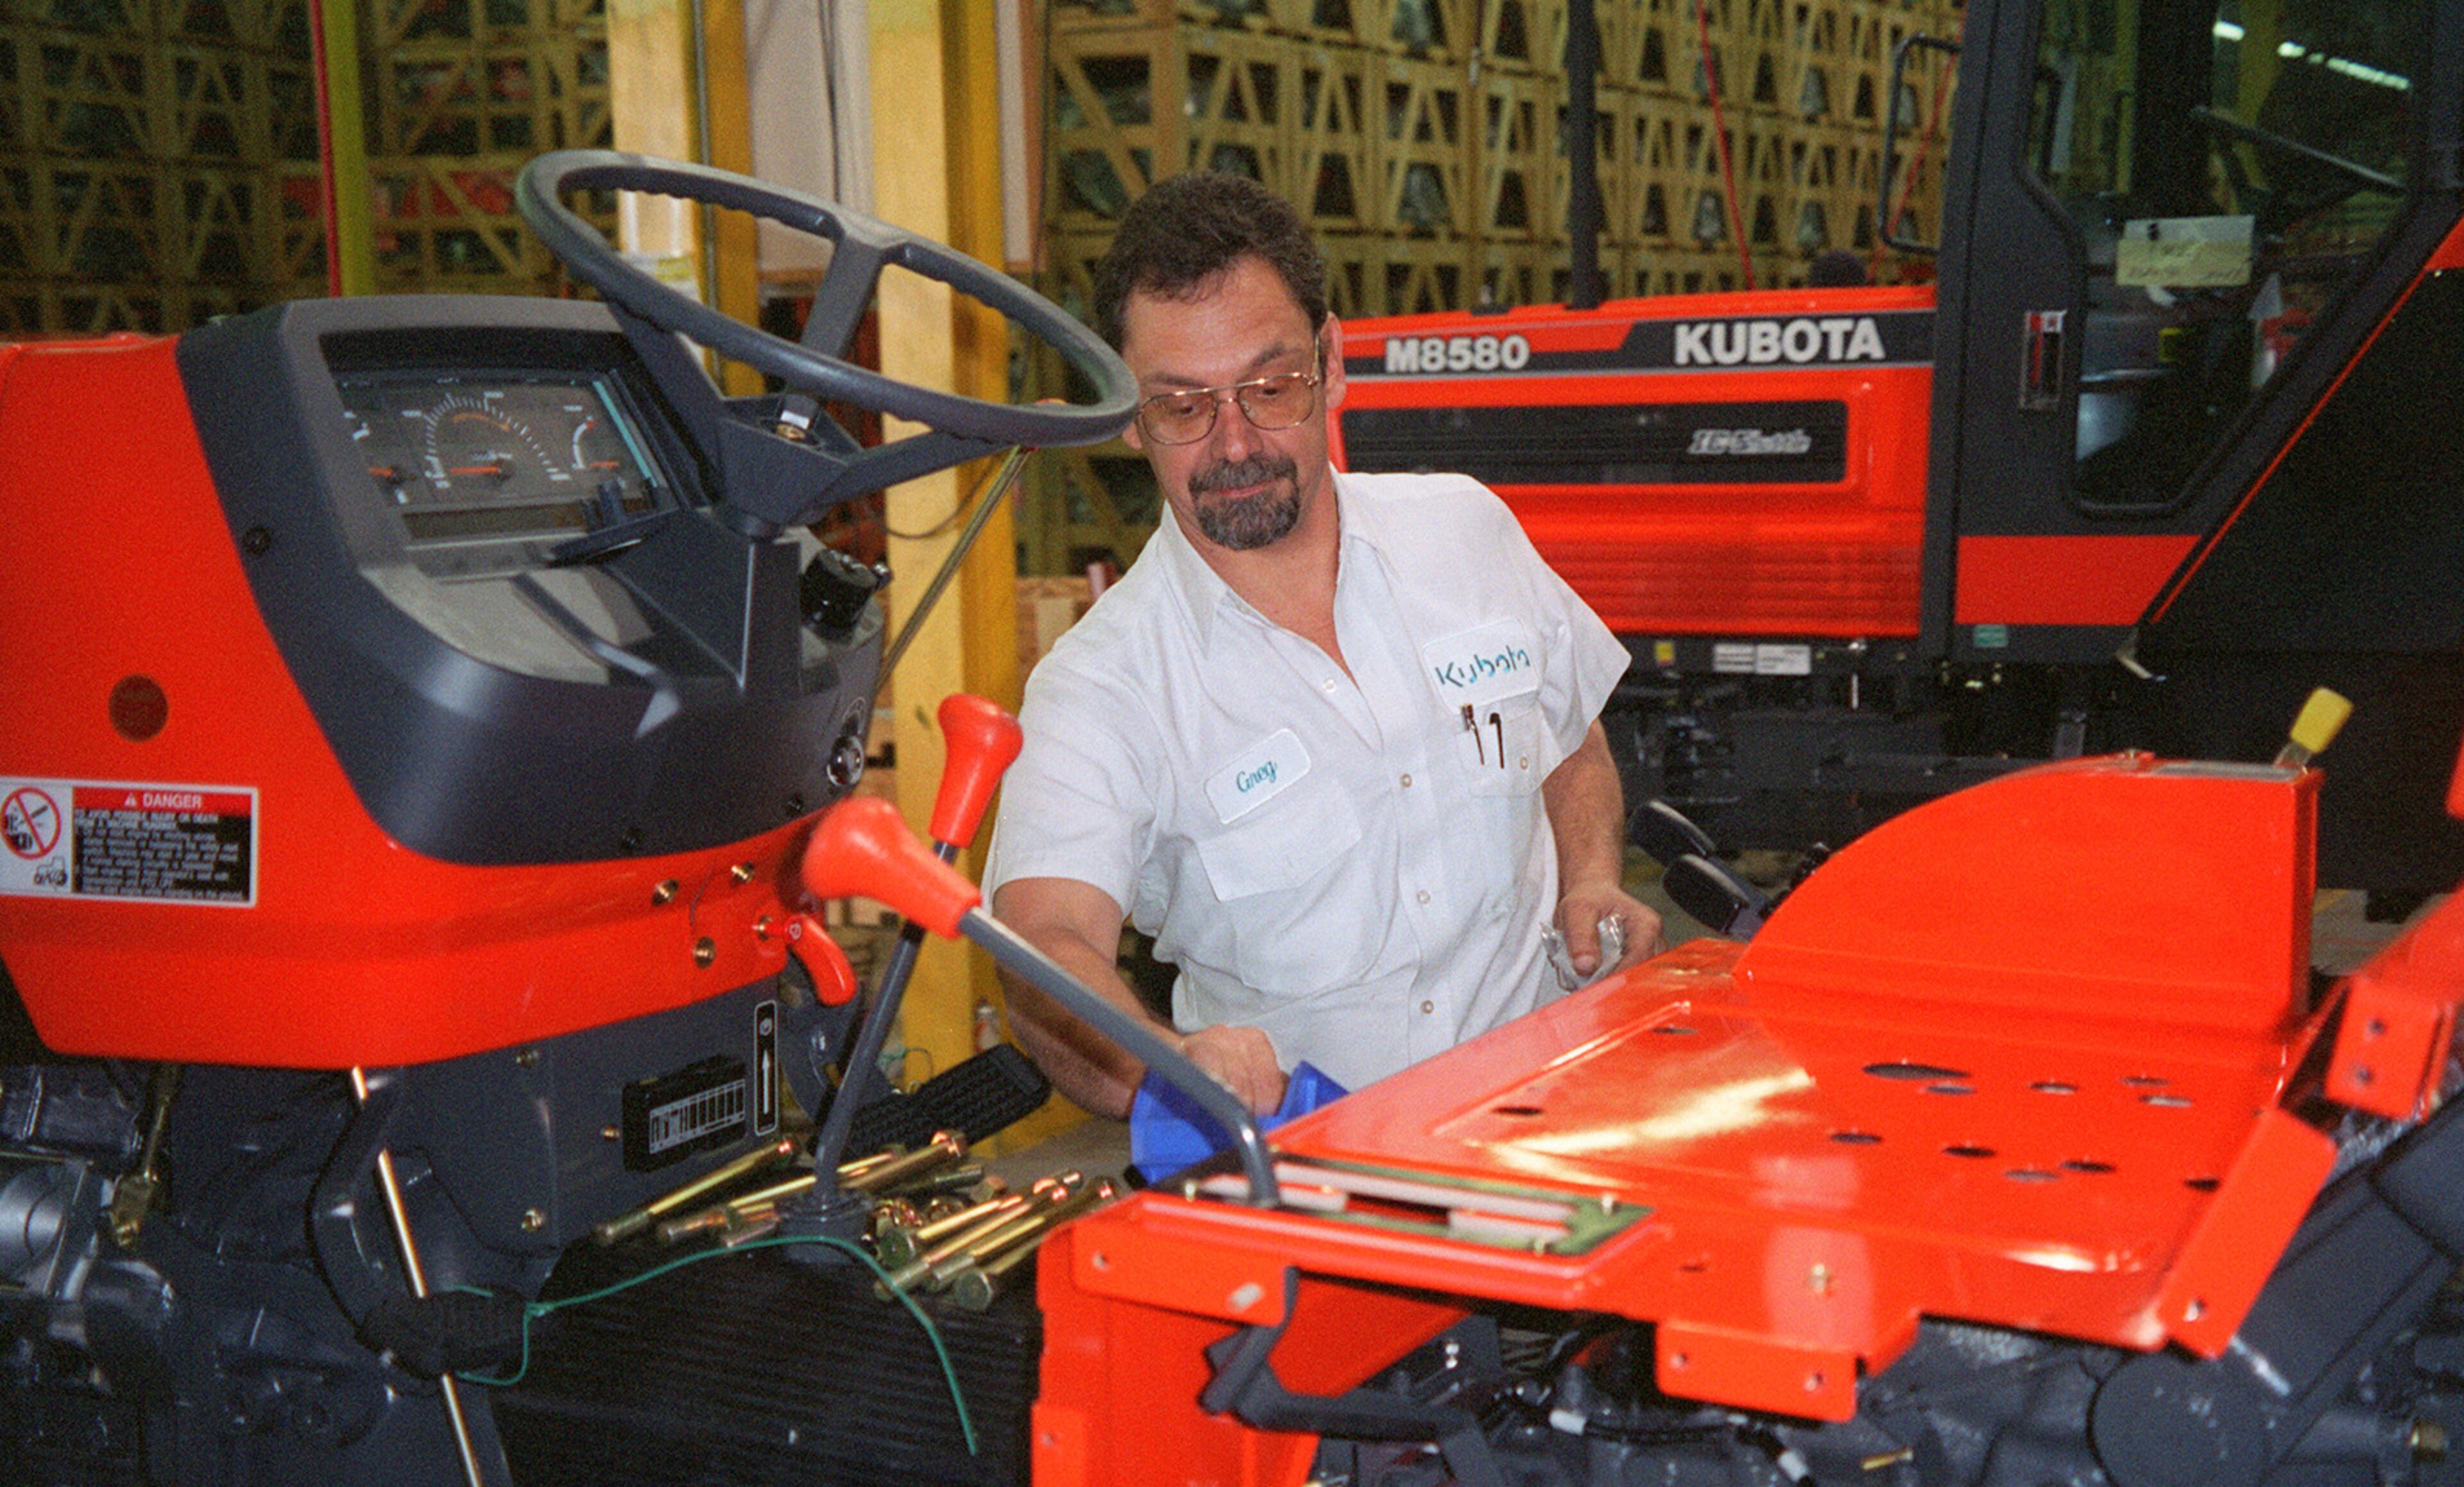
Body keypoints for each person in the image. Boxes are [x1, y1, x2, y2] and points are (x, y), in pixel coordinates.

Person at [982, 172, 1660, 1117]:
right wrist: (1172, 1066)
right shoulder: (1104, 687)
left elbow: (1568, 740)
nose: (1234, 444)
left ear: (1332, 362)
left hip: (1555, 1125)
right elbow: (1044, 949)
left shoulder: (1466, 532)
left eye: (1270, 387)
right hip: (1314, 1189)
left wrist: (1589, 879)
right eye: (1182, 406)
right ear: (1131, 419)